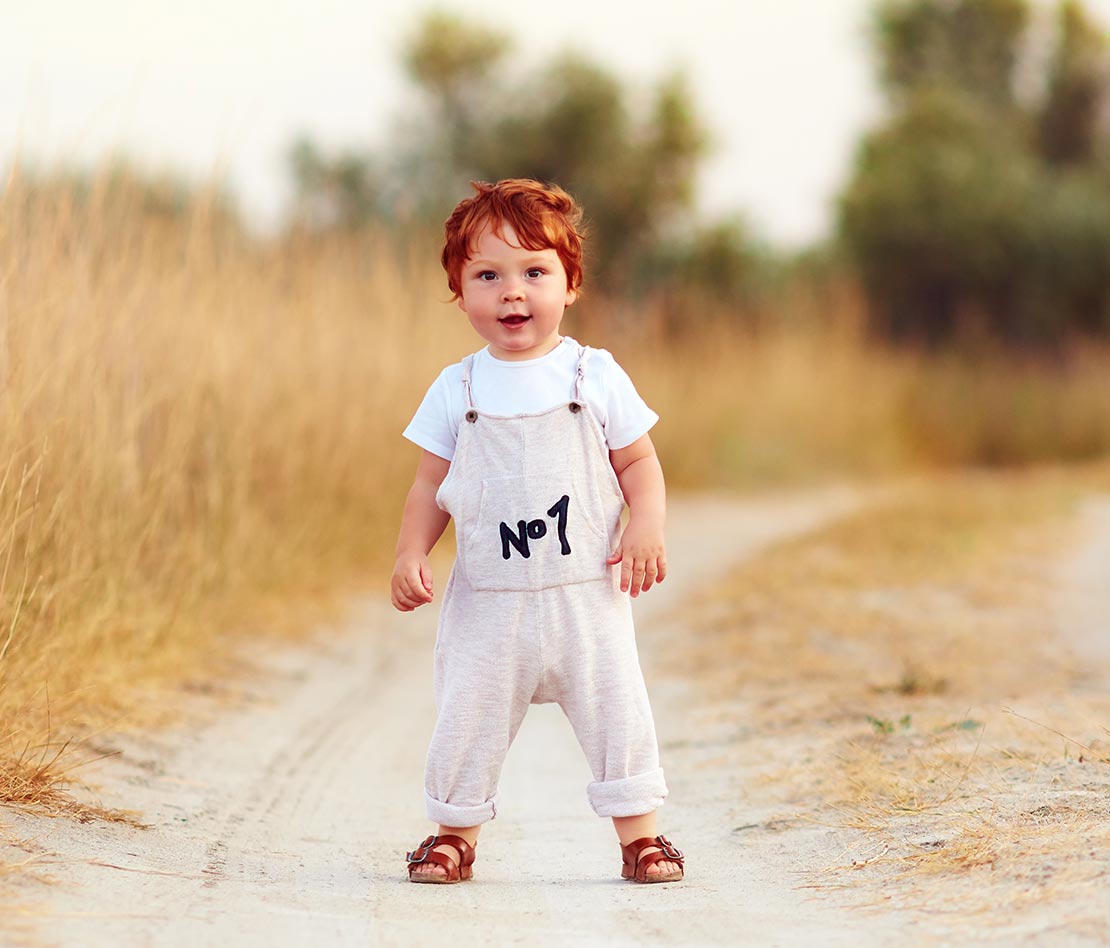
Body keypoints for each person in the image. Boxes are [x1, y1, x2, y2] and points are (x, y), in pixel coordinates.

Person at [391, 178, 684, 885]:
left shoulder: (594, 375)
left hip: (588, 596)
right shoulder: (456, 388)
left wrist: (646, 522)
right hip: (489, 603)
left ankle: (640, 837)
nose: (512, 293)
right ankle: (453, 834)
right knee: (468, 718)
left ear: (570, 283)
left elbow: (640, 462)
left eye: (534, 272)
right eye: (487, 276)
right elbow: (432, 484)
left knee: (620, 712)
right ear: (460, 293)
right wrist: (410, 550)